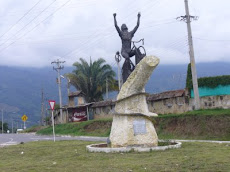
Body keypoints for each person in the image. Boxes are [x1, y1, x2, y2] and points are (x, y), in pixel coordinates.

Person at [113, 12, 141, 82]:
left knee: (136, 51)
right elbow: (116, 26)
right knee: (127, 58)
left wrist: (138, 17)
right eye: (124, 29)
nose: (125, 30)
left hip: (129, 51)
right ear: (123, 29)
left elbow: (137, 26)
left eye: (125, 29)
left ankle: (138, 65)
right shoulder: (121, 34)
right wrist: (114, 17)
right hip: (124, 52)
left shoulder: (130, 33)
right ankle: (129, 70)